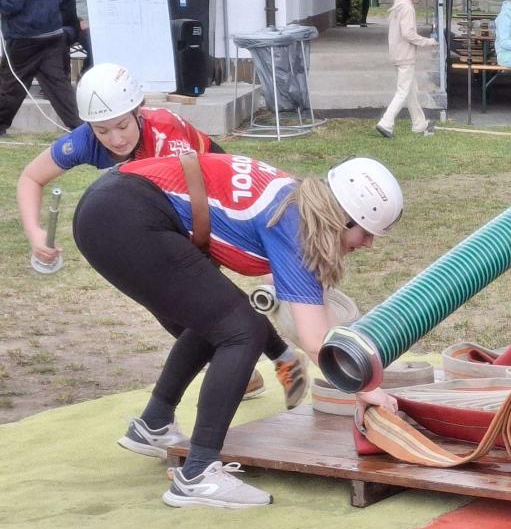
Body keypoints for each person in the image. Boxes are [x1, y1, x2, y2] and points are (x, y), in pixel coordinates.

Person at [75, 154, 405, 507]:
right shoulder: (296, 229)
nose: (368, 244)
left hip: (112, 202)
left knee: (222, 317)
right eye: (366, 232)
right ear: (343, 217)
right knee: (242, 330)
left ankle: (154, 424)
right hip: (124, 216)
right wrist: (366, 389)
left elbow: (315, 313)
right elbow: (316, 342)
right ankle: (198, 474)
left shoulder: (297, 203)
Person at [19, 62, 307, 405]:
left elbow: (198, 204)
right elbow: (31, 177)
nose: (116, 139)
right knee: (166, 302)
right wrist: (35, 233)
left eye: (122, 126)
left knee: (212, 301)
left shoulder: (166, 134)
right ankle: (243, 367)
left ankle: (282, 359)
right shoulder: (84, 140)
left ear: (138, 112)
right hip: (162, 209)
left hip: (211, 201)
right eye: (102, 131)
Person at [0, 0, 79, 136]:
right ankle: (79, 126)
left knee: (9, 83)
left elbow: (12, 4)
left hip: (26, 39)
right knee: (59, 87)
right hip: (52, 37)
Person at [375, 0, 439, 138]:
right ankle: (386, 122)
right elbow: (408, 34)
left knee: (410, 90)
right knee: (403, 91)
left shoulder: (399, 5)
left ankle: (419, 124)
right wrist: (428, 41)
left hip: (398, 55)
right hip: (405, 56)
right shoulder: (407, 8)